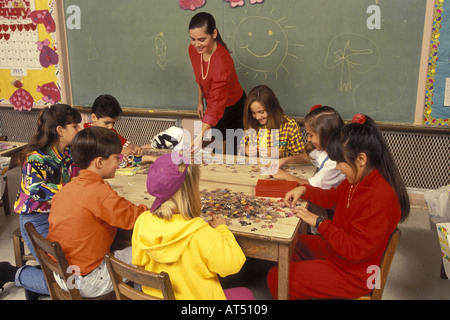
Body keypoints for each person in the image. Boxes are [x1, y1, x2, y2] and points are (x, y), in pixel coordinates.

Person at [266, 114, 410, 299]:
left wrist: (319, 222)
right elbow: (334, 197)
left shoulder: (381, 198)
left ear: (361, 159)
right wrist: (303, 189)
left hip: (355, 274)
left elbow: (353, 249)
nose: (338, 167)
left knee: (276, 277)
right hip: (335, 250)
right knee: (285, 246)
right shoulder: (359, 177)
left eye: (340, 162)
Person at [132, 152, 253, 300]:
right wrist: (222, 229)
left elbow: (138, 262)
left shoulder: (142, 221)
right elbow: (233, 265)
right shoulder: (200, 232)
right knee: (246, 294)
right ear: (190, 192)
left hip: (157, 297)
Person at [46, 126, 148, 297]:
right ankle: (140, 293)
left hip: (62, 274)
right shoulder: (100, 194)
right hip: (88, 281)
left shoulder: (67, 187)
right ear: (99, 162)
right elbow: (140, 218)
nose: (118, 162)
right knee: (147, 249)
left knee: (122, 243)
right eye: (116, 158)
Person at [14, 104, 82, 258]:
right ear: (60, 130)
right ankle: (13, 272)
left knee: (77, 263)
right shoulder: (35, 158)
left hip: (60, 214)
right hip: (37, 219)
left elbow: (88, 165)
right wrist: (74, 188)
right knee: (62, 275)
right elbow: (36, 190)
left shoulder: (67, 153)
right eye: (75, 126)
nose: (79, 130)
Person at [272, 105, 346, 230]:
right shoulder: (323, 148)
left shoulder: (334, 163)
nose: (308, 139)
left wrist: (284, 176)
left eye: (311, 135)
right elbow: (307, 157)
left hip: (329, 217)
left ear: (325, 135)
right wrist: (284, 160)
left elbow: (312, 187)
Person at [188, 12, 246, 154]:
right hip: (212, 100)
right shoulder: (193, 50)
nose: (197, 45)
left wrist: (200, 136)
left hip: (233, 106)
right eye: (192, 39)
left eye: (202, 39)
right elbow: (201, 77)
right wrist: (200, 101)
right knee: (217, 144)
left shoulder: (222, 62)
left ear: (214, 33)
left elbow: (216, 102)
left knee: (232, 148)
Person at [240, 85, 305, 161]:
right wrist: (245, 150)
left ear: (272, 108)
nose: (257, 117)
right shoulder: (251, 123)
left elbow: (302, 157)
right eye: (253, 113)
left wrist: (280, 154)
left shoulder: (290, 125)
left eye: (261, 112)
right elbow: (240, 149)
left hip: (281, 169)